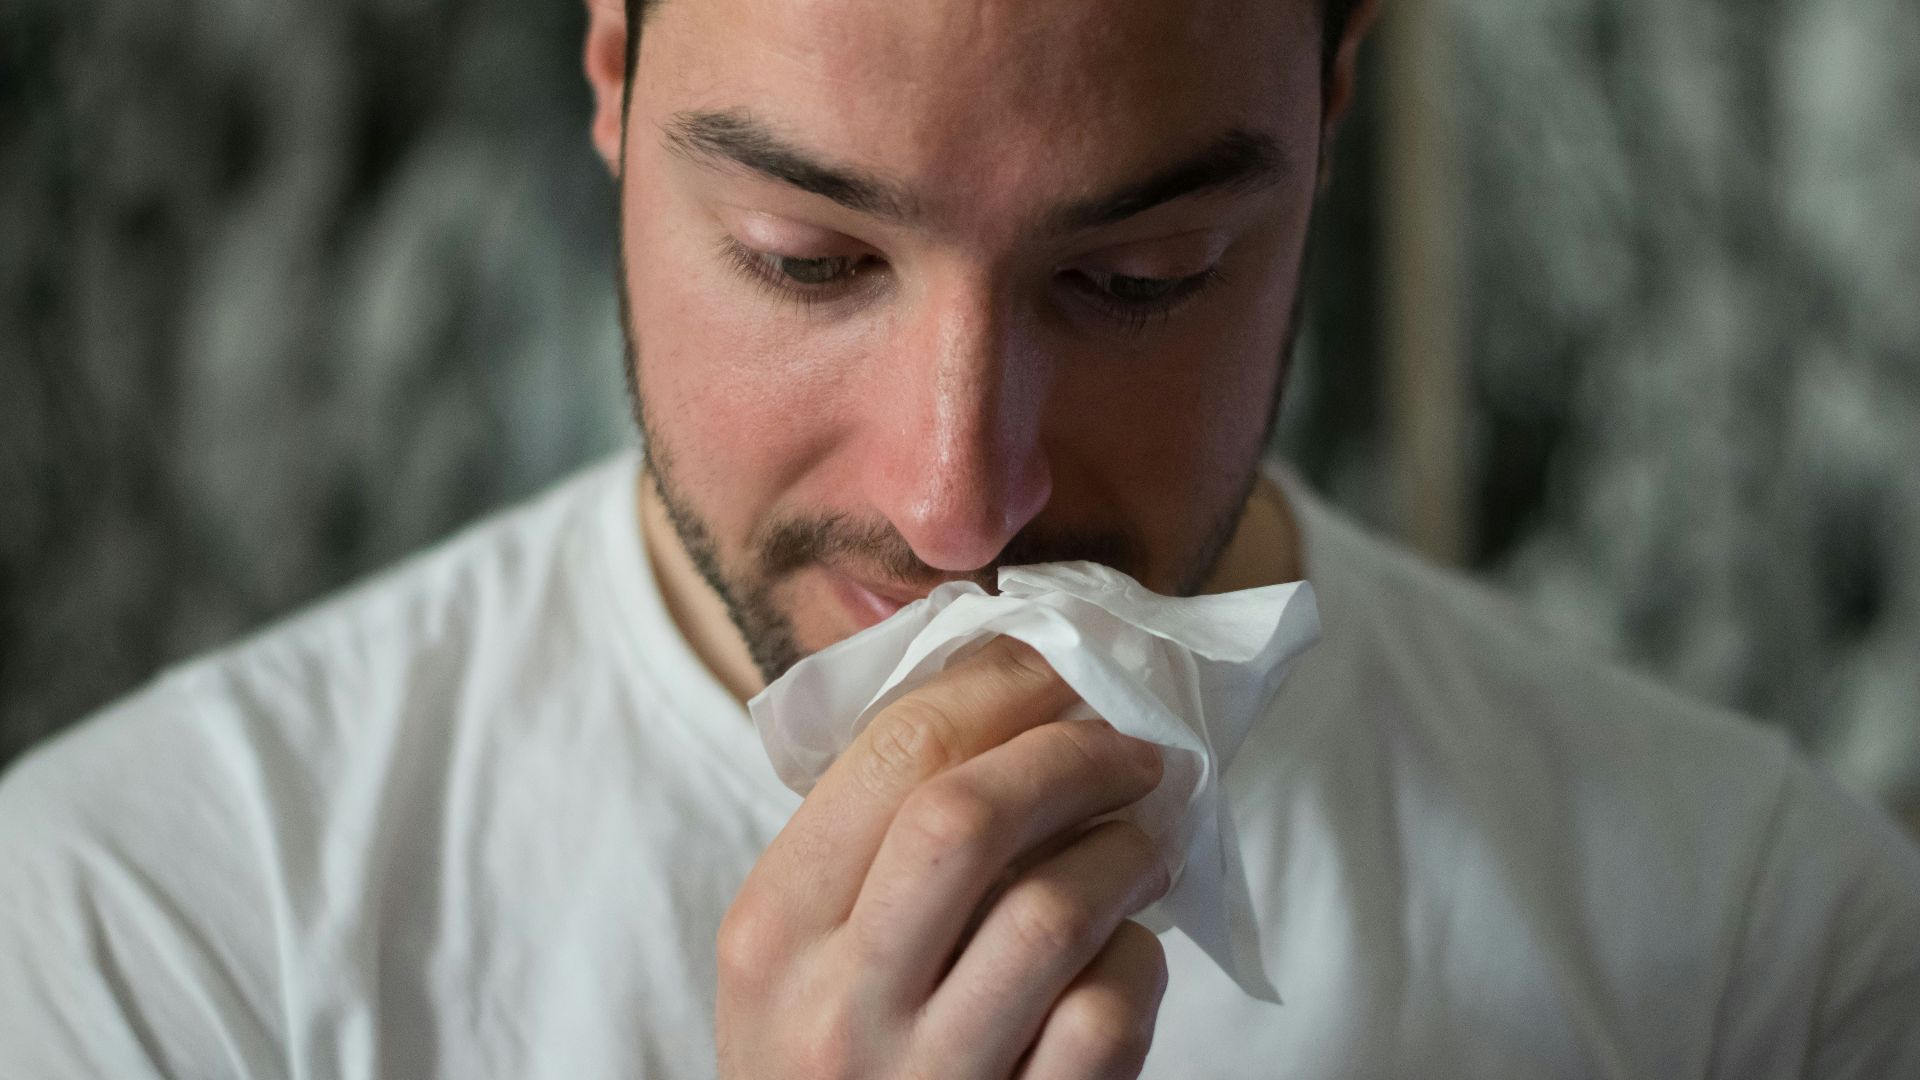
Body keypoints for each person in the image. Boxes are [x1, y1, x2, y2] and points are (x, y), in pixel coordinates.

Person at [2, 0, 1917, 1075]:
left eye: (1141, 277)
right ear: (610, 77)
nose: (960, 500)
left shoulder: (1762, 953)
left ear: (1328, 119)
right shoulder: (149, 944)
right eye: (809, 261)